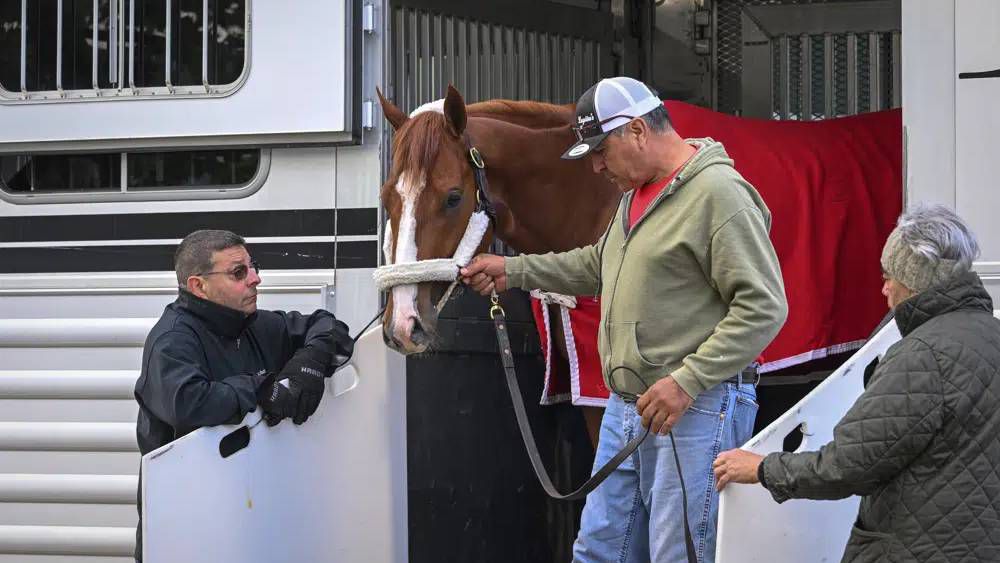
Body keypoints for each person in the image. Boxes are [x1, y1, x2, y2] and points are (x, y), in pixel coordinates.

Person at [461, 76, 787, 562]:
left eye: (600, 150)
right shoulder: (636, 196)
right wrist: (513, 270)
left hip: (693, 406)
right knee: (598, 548)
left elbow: (764, 307)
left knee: (678, 552)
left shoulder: (719, 193)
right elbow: (598, 264)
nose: (595, 166)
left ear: (637, 131)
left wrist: (686, 381)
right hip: (632, 406)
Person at [714, 206, 1000, 562]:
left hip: (917, 548)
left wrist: (761, 468)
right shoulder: (991, 336)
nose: (883, 288)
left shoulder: (922, 355)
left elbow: (849, 464)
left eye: (888, 276)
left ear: (911, 281)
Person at [132, 229, 353, 561]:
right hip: (187, 532)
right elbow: (191, 403)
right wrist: (263, 388)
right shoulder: (172, 341)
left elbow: (328, 327)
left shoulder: (255, 325)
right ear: (198, 286)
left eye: (253, 267)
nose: (256, 279)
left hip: (252, 521)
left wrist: (309, 363)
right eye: (239, 273)